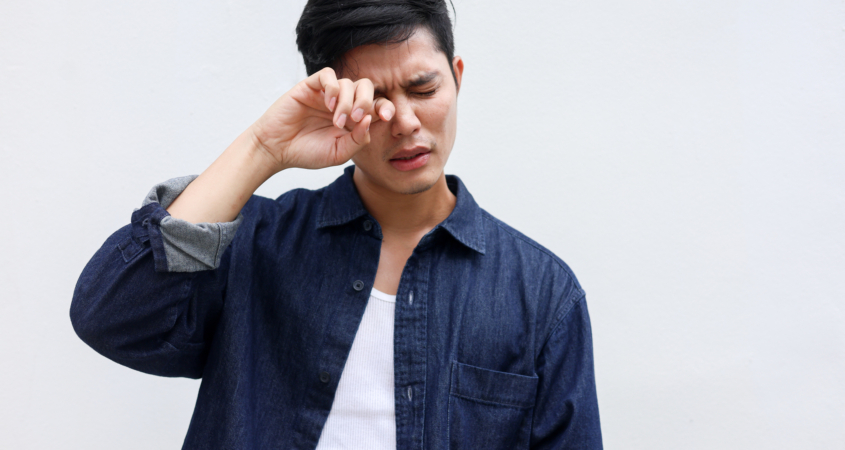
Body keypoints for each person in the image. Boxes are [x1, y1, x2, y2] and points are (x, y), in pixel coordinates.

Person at [70, 1, 603, 448]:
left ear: (457, 78)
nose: (407, 122)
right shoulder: (257, 245)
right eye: (375, 100)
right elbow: (110, 316)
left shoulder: (542, 293)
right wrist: (263, 147)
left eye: (423, 89)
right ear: (333, 102)